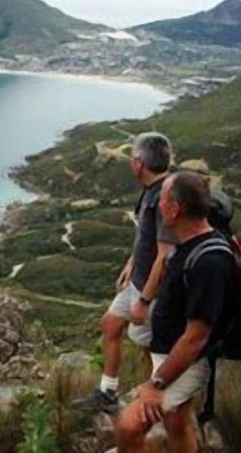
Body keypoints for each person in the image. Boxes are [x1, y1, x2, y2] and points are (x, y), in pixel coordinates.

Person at [115, 171, 234, 452]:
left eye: (163, 200)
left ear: (174, 209)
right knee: (177, 423)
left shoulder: (209, 262)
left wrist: (156, 384)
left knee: (129, 426)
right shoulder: (188, 243)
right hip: (170, 355)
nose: (158, 206)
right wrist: (145, 302)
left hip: (186, 362)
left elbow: (195, 338)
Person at [76, 132, 177, 413]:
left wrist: (144, 300)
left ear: (139, 163)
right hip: (137, 279)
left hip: (151, 289)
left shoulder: (165, 197)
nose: (130, 163)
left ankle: (159, 403)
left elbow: (166, 256)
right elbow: (146, 236)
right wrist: (131, 263)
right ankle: (108, 392)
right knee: (111, 324)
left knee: (151, 346)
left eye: (132, 158)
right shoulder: (151, 189)